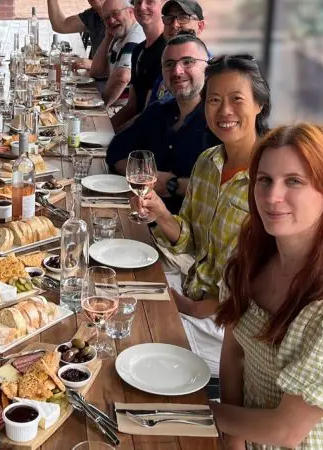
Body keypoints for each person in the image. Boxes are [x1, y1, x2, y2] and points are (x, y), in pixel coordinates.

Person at [210, 124, 323, 449]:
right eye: (264, 180)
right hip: (247, 432)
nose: (272, 197)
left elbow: (285, 431)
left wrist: (196, 411)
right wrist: (231, 443)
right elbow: (232, 353)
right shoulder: (252, 258)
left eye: (294, 181)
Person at [134, 54, 271, 377]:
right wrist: (160, 212)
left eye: (237, 99)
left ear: (260, 105)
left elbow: (265, 287)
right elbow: (193, 241)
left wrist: (192, 307)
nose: (224, 111)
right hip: (192, 293)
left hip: (231, 329)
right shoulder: (208, 162)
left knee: (131, 336)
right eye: (214, 100)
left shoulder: (271, 179)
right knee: (111, 291)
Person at [106, 34, 220, 213]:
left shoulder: (219, 121)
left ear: (208, 67)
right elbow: (114, 153)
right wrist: (147, 176)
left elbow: (226, 187)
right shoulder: (158, 111)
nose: (177, 71)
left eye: (188, 62)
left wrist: (173, 185)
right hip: (143, 218)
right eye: (169, 64)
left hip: (190, 231)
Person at [110, 0, 165, 130]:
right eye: (138, 2)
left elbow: (148, 115)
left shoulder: (166, 52)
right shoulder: (138, 51)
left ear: (164, 4)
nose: (142, 7)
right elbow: (132, 106)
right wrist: (104, 130)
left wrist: (115, 137)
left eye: (150, 1)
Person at [148, 0, 207, 107]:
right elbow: (148, 112)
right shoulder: (164, 66)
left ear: (200, 26)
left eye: (184, 17)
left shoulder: (210, 71)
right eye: (169, 18)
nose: (174, 24)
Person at [90, 0, 145, 106]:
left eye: (115, 13)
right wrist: (108, 37)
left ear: (130, 12)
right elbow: (96, 72)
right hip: (115, 104)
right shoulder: (120, 38)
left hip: (121, 108)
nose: (111, 21)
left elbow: (122, 77)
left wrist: (101, 106)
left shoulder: (137, 34)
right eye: (106, 18)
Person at [46, 0, 107, 69]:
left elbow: (120, 65)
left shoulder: (119, 18)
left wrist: (94, 64)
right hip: (96, 76)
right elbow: (61, 25)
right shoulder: (93, 14)